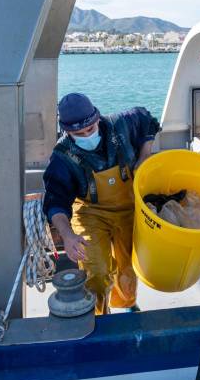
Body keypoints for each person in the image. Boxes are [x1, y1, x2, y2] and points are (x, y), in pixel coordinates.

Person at [43, 93, 160, 315]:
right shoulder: (62, 157)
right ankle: (98, 314)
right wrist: (67, 236)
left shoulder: (122, 123)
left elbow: (147, 119)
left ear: (98, 118)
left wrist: (145, 154)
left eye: (91, 128)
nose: (87, 135)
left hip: (129, 208)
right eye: (79, 133)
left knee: (128, 265)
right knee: (96, 268)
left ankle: (126, 305)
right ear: (67, 131)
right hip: (90, 213)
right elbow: (55, 202)